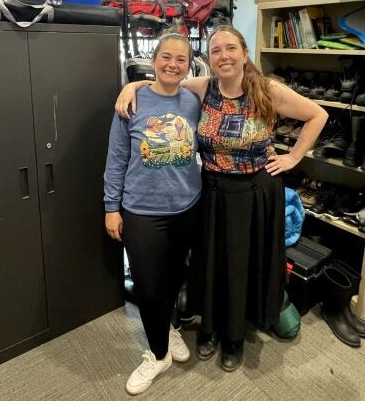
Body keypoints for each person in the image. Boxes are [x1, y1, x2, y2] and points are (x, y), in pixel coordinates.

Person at [115, 25, 327, 372]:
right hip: (212, 191)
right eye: (216, 51)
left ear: (244, 53)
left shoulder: (267, 90)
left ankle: (234, 337)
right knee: (212, 263)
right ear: (209, 59)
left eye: (230, 49)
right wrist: (132, 85)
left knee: (241, 267)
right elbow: (165, 83)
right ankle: (210, 329)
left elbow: (318, 115)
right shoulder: (203, 87)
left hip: (253, 193)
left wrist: (293, 157)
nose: (224, 56)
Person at [103, 32, 201, 395]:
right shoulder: (131, 102)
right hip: (142, 211)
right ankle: (158, 354)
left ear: (188, 65)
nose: (173, 64)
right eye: (166, 57)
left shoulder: (193, 101)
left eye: (181, 59)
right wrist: (111, 207)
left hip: (186, 207)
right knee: (148, 286)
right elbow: (116, 158)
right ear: (154, 60)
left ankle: (169, 328)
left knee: (176, 277)